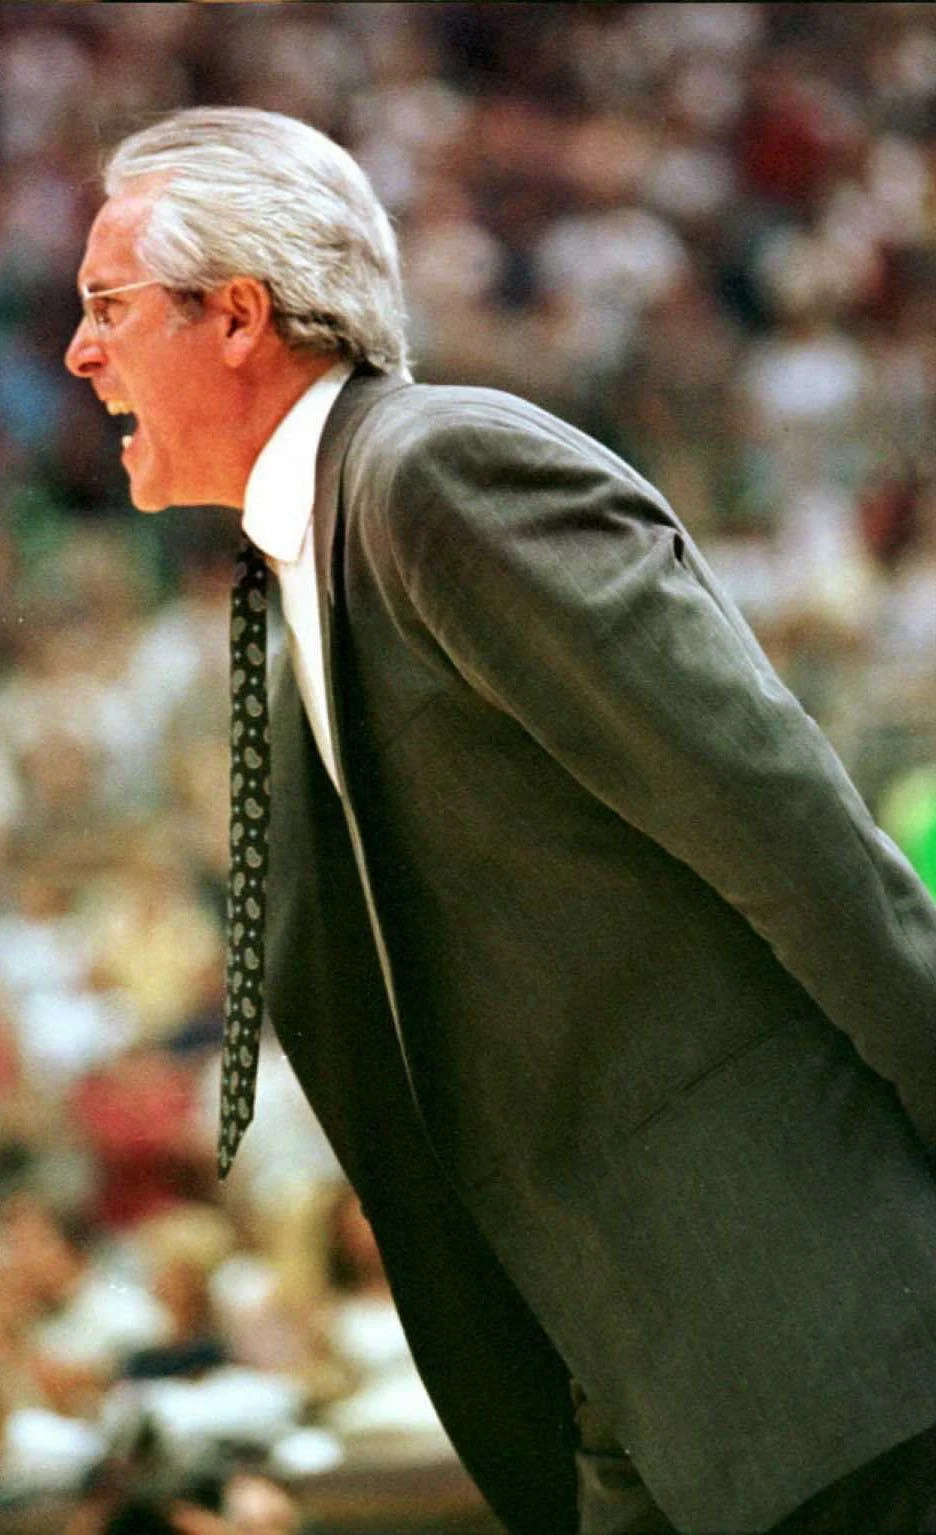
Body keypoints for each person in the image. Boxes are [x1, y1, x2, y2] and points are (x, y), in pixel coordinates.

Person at [64, 106, 936, 1535]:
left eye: (108, 307)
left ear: (237, 315)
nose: (77, 351)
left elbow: (792, 834)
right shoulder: (310, 572)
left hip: (823, 1332)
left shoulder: (436, 474)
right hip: (648, 1376)